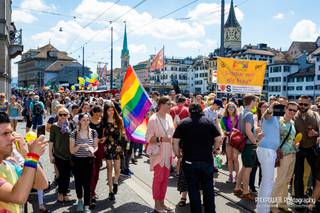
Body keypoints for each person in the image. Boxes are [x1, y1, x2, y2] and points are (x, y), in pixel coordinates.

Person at [172, 102, 222, 213]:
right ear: (201, 111)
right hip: (206, 160)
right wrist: (214, 149)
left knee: (193, 189)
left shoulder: (183, 123)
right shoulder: (208, 122)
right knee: (208, 189)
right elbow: (219, 139)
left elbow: (175, 142)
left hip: (189, 161)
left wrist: (178, 154)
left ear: (189, 111)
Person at [0, 112, 48, 212]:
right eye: (5, 134)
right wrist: (33, 156)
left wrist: (27, 155)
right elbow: (18, 197)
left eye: (11, 133)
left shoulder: (10, 164)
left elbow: (42, 184)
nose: (12, 138)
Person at [146, 96, 175, 213]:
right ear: (161, 105)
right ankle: (157, 204)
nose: (170, 106)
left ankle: (162, 202)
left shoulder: (169, 117)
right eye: (168, 104)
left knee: (165, 179)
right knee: (158, 178)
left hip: (168, 153)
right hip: (158, 153)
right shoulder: (153, 119)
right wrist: (162, 139)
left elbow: (172, 135)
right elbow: (148, 138)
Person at [271, 102, 299, 213]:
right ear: (285, 109)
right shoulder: (278, 121)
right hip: (283, 155)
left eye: (294, 111)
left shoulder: (292, 122)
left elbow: (291, 139)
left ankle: (282, 203)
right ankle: (272, 205)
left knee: (287, 181)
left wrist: (296, 144)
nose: (292, 112)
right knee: (280, 180)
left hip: (293, 154)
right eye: (290, 109)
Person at [293, 95, 320, 208]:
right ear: (298, 103)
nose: (302, 106)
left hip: (312, 148)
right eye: (301, 104)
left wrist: (316, 134)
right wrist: (295, 142)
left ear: (310, 105)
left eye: (305, 104)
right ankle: (299, 199)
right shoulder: (293, 115)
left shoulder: (315, 115)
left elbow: (319, 132)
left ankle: (316, 198)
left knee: (316, 175)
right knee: (298, 175)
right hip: (298, 149)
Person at [70, 113, 98, 213]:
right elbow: (72, 150)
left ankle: (86, 205)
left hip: (89, 160)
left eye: (87, 120)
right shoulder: (74, 133)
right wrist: (80, 146)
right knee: (78, 182)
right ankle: (80, 201)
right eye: (83, 120)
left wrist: (92, 151)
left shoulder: (94, 132)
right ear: (79, 122)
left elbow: (95, 146)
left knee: (87, 184)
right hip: (77, 161)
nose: (86, 122)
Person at [255, 102, 280, 213]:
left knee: (266, 181)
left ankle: (261, 208)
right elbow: (267, 114)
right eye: (264, 106)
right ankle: (263, 210)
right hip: (267, 150)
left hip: (267, 150)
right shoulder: (269, 115)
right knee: (268, 182)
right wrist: (270, 108)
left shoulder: (275, 118)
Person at [234, 94, 259, 201]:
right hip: (249, 144)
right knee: (248, 169)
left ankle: (237, 188)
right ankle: (245, 192)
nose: (257, 103)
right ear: (252, 101)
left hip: (244, 143)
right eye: (256, 101)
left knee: (244, 167)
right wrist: (255, 142)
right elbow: (248, 131)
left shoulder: (242, 112)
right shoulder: (249, 114)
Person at [49, 107, 73, 203]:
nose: (63, 116)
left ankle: (65, 194)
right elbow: (51, 141)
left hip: (70, 154)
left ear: (68, 115)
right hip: (58, 154)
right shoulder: (54, 126)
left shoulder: (71, 125)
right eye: (61, 114)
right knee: (61, 174)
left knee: (67, 175)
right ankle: (60, 193)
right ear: (58, 115)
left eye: (65, 114)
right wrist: (50, 155)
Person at [103, 102, 125, 201]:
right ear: (106, 111)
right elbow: (103, 135)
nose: (111, 112)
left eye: (112, 110)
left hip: (117, 147)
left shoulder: (119, 120)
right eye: (108, 110)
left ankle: (115, 182)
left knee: (117, 169)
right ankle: (111, 191)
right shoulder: (103, 121)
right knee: (109, 169)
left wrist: (126, 137)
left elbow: (122, 132)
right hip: (107, 147)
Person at [89, 105, 105, 207]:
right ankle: (91, 192)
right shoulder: (88, 121)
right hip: (90, 147)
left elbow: (104, 135)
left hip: (100, 147)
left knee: (97, 171)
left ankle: (92, 191)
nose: (99, 114)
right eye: (97, 112)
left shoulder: (102, 121)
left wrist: (104, 139)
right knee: (92, 171)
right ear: (93, 112)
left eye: (100, 112)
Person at [220, 102, 239, 183]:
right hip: (228, 140)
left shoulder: (238, 117)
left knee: (236, 159)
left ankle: (237, 176)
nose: (231, 109)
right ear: (226, 109)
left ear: (235, 108)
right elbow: (222, 129)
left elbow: (241, 128)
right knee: (230, 159)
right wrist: (225, 132)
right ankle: (230, 175)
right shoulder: (224, 118)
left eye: (232, 107)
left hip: (236, 140)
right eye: (229, 107)